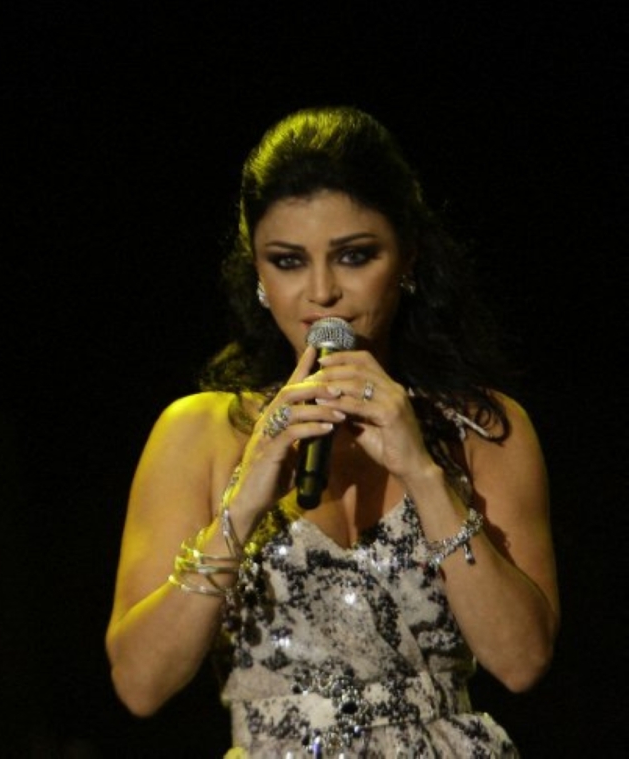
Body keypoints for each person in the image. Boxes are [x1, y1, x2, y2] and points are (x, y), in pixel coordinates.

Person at [105, 106, 558, 756]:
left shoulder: (482, 428)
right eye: (288, 261)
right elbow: (140, 685)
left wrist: (423, 472)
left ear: (407, 258)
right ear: (259, 276)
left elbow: (522, 661)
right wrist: (244, 500)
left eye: (353, 256)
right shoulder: (200, 431)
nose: (322, 292)